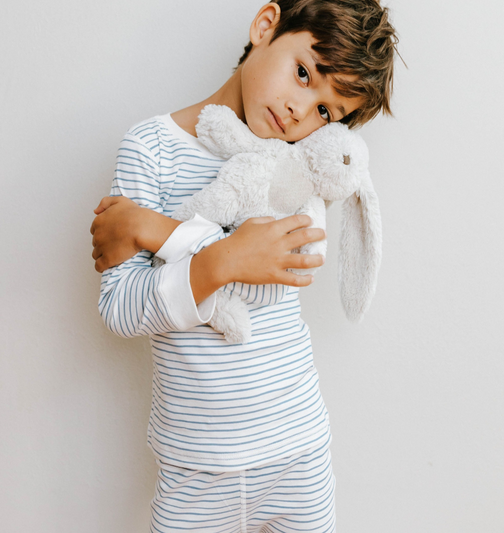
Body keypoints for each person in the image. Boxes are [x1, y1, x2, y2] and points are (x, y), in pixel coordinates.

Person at [90, 1, 398, 530]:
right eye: (304, 73)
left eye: (326, 112)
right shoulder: (151, 149)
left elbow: (281, 274)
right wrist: (226, 258)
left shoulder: (298, 168)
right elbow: (119, 309)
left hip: (297, 452)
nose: (301, 112)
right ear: (265, 26)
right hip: (193, 465)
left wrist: (158, 231)